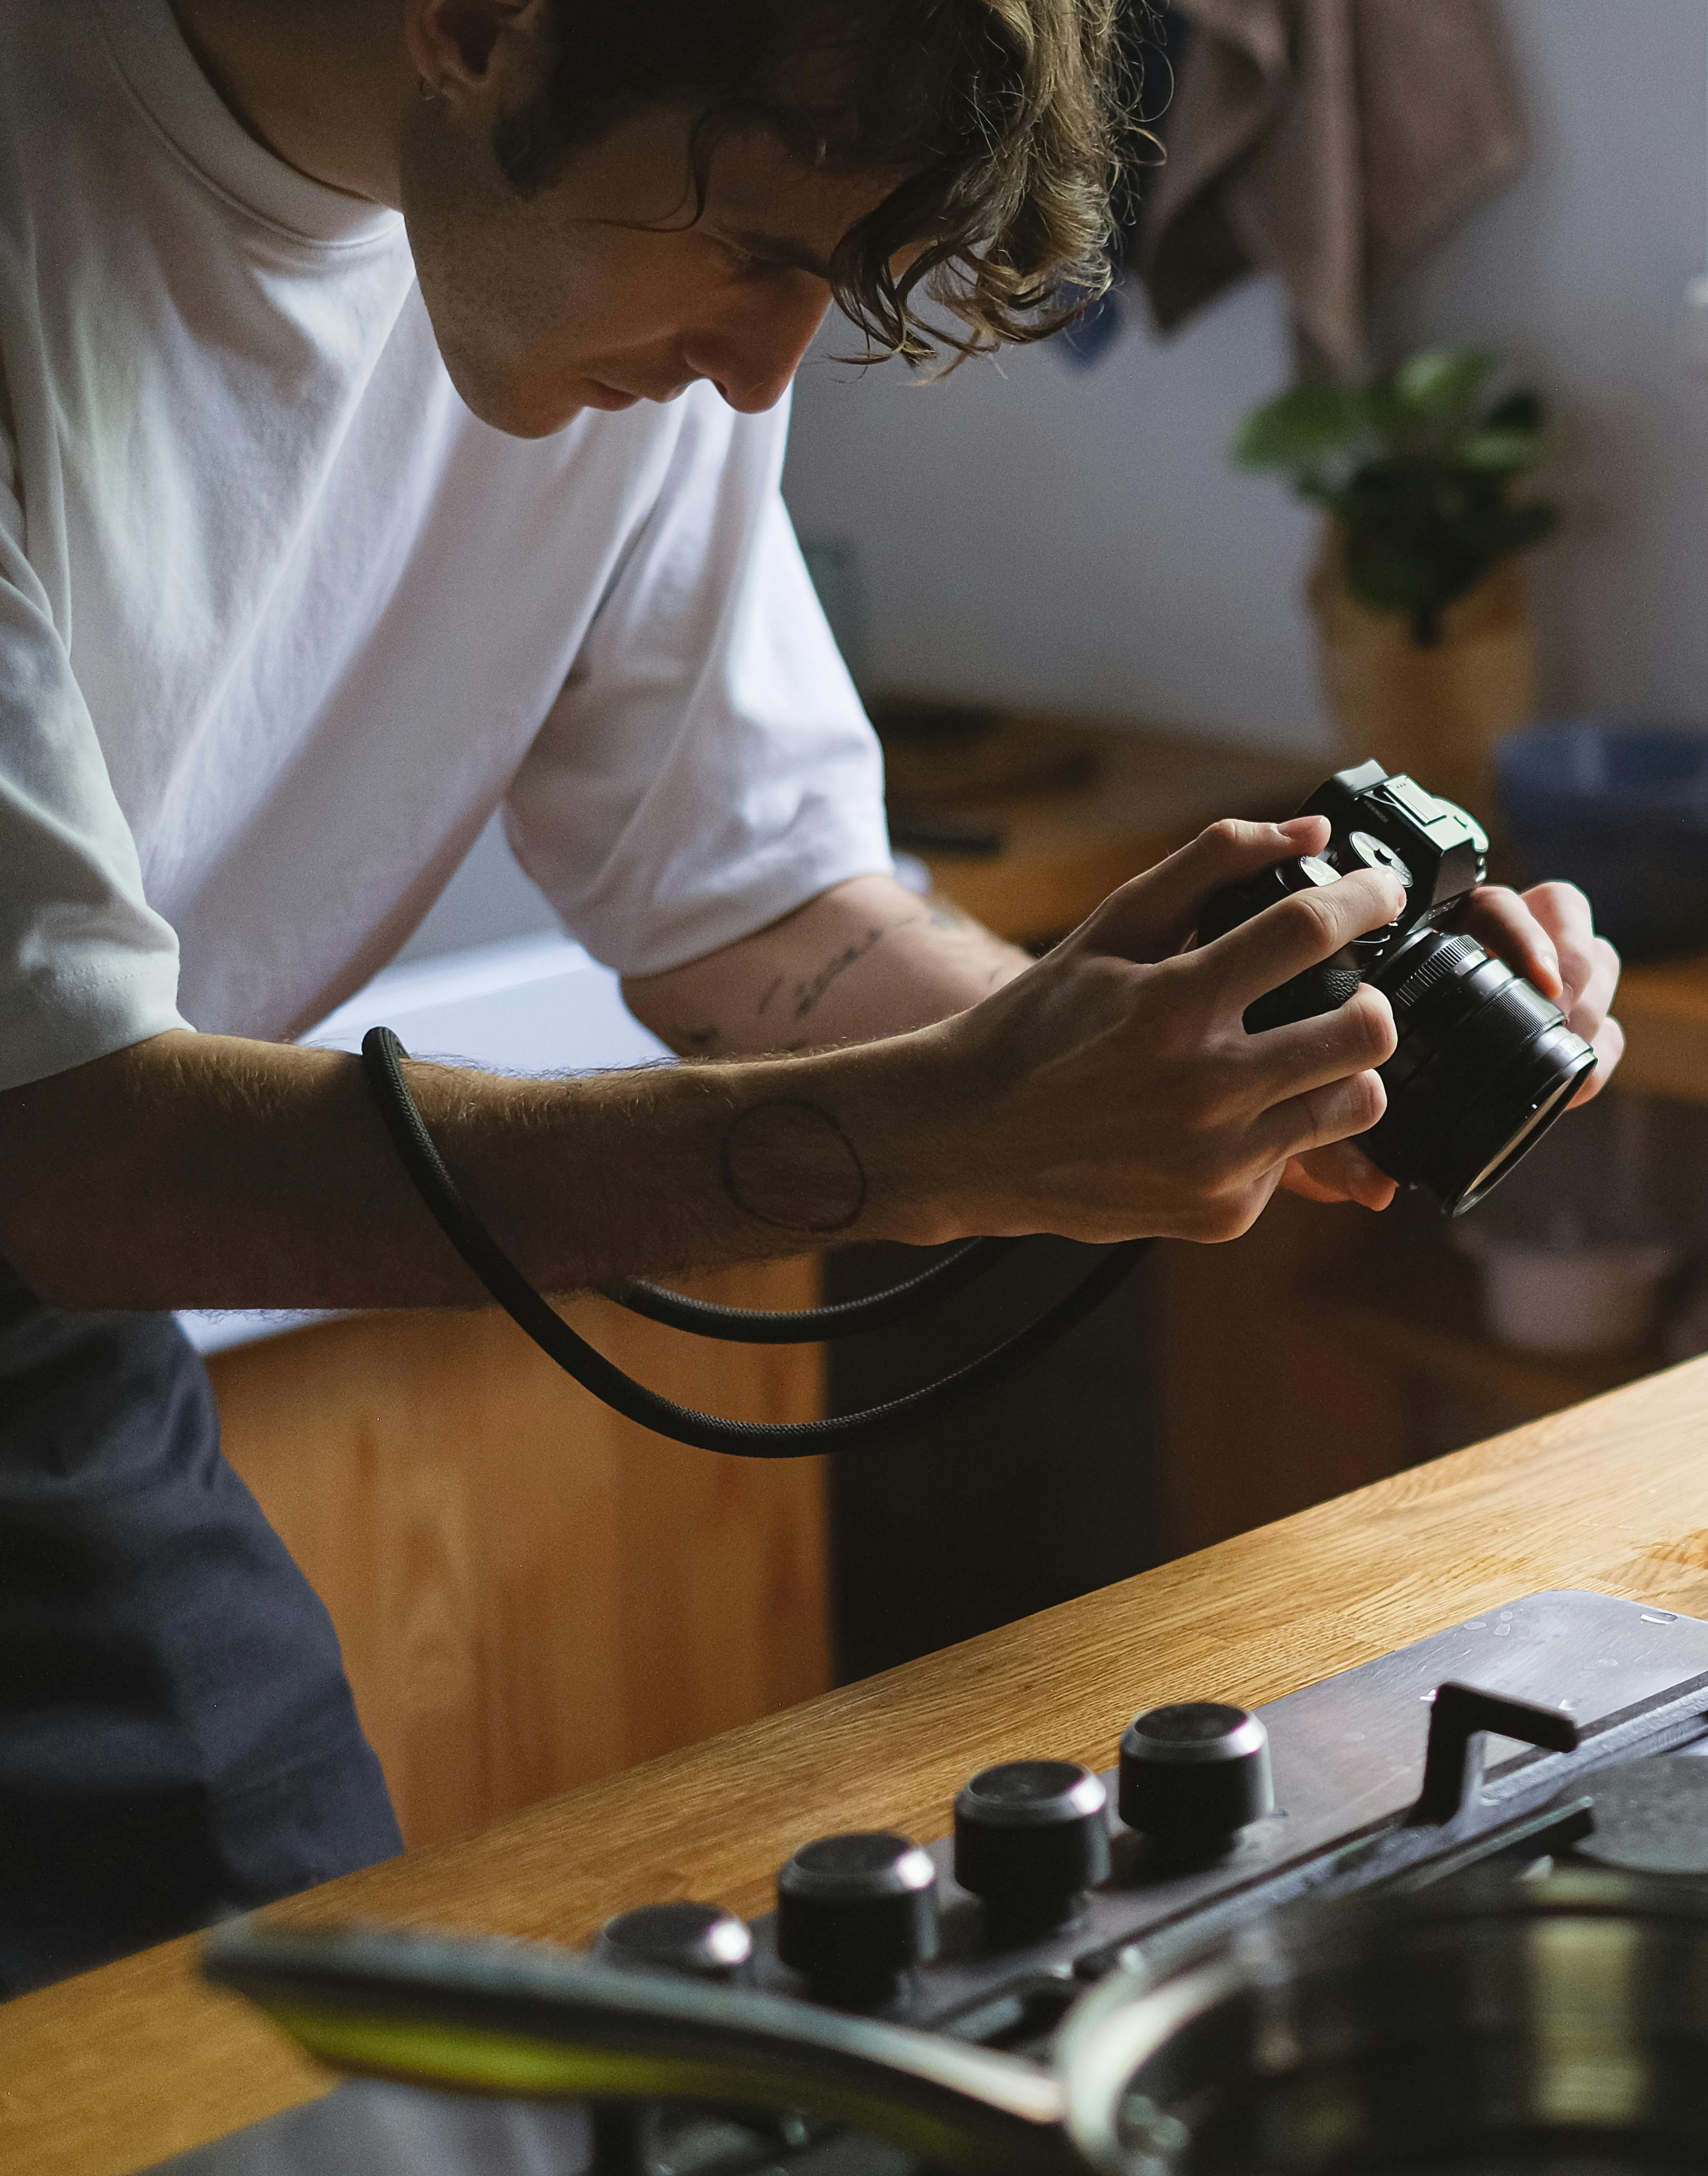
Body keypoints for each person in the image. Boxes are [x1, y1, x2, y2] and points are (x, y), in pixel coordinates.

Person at [0, 0, 1620, 1996]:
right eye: (759, 251)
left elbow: (755, 906)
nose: (769, 365)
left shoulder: (642, 266)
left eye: (835, 277)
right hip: (61, 1206)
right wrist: (946, 1139)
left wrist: (1189, 1056)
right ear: (481, 24)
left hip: (46, 1341)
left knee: (263, 2072)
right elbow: (63, 1145)